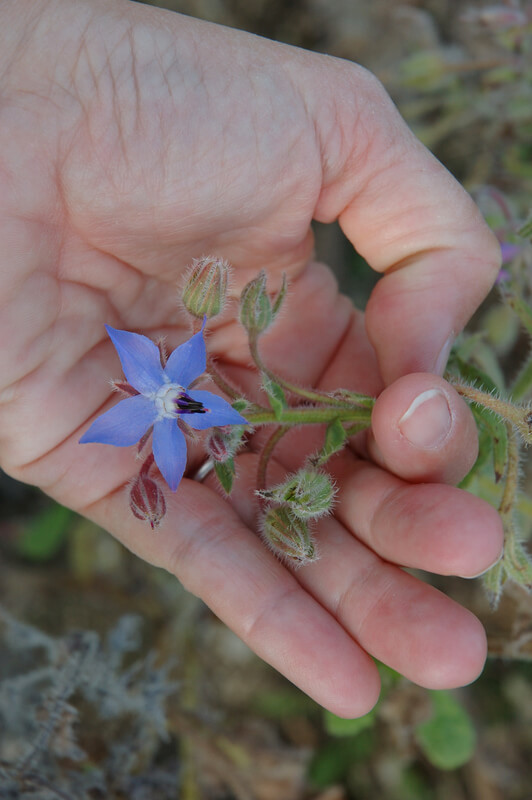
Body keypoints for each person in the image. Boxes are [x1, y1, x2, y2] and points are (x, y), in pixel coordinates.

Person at [0, 0, 504, 717]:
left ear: (165, 382)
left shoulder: (181, 373)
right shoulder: (171, 418)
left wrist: (29, 67)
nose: (170, 407)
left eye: (168, 402)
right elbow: (212, 419)